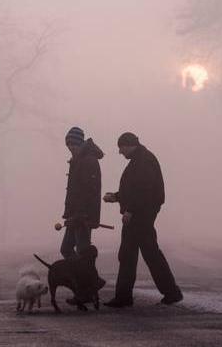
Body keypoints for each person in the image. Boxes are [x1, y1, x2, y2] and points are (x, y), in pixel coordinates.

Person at [103, 132, 182, 307]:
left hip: (140, 217)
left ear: (129, 145)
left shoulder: (143, 161)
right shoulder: (140, 160)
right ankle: (170, 292)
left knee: (135, 255)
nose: (120, 152)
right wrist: (116, 197)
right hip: (140, 215)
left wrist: (130, 210)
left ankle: (126, 297)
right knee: (140, 254)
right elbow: (134, 189)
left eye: (121, 148)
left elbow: (143, 191)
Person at [60, 126, 104, 260]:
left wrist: (82, 214)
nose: (70, 148)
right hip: (75, 215)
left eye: (73, 144)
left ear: (80, 143)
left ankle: (89, 278)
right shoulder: (77, 160)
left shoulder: (88, 161)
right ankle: (81, 276)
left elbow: (90, 191)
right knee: (67, 249)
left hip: (83, 216)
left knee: (82, 251)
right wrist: (70, 213)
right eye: (68, 145)